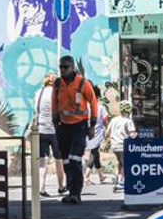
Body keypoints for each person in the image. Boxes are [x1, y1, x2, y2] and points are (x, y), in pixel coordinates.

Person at [53, 56, 100, 204]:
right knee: (66, 161)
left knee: (75, 159)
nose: (62, 69)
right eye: (61, 67)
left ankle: (76, 193)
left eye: (65, 67)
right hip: (63, 127)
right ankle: (71, 190)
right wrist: (55, 123)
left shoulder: (82, 83)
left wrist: (92, 125)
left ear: (72, 68)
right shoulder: (58, 83)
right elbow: (54, 103)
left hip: (79, 127)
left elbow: (93, 103)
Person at [33, 72, 61, 197]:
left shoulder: (38, 93)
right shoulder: (57, 93)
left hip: (41, 130)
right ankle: (61, 186)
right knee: (59, 159)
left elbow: (35, 109)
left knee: (43, 161)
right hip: (55, 131)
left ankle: (41, 187)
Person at [102, 100, 137, 191]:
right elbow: (132, 134)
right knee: (126, 164)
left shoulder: (114, 120)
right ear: (129, 110)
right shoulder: (128, 121)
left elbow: (107, 133)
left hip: (114, 146)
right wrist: (136, 136)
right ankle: (122, 182)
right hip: (123, 146)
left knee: (120, 163)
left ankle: (116, 179)